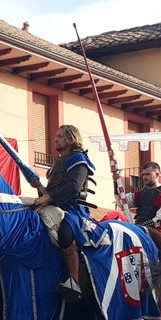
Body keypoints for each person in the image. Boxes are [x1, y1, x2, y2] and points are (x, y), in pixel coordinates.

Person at [32, 124, 95, 302]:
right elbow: (49, 193)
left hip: (73, 210)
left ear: (70, 138)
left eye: (59, 136)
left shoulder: (79, 159)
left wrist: (47, 197)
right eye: (56, 136)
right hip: (53, 207)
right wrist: (39, 188)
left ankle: (74, 281)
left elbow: (73, 187)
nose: (55, 139)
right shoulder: (57, 163)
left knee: (65, 234)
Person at [120, 161, 161, 300]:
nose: (144, 177)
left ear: (157, 174)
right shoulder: (140, 194)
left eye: (148, 174)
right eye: (143, 175)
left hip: (156, 230)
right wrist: (117, 182)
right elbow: (123, 201)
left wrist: (147, 224)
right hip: (138, 227)